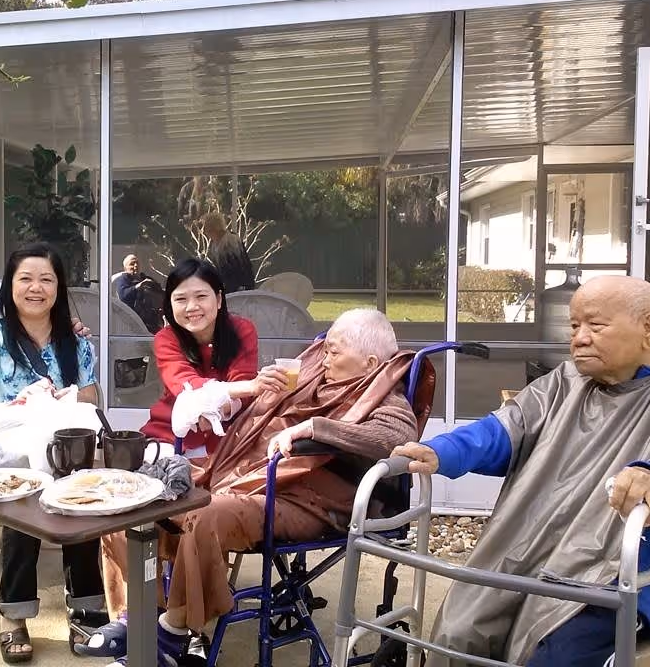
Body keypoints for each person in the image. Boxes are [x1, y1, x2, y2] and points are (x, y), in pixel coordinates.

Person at [89, 309, 430, 665]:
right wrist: (259, 388)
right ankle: (137, 617)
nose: (324, 357)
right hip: (244, 475)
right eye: (325, 349)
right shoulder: (312, 374)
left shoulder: (384, 397)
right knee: (132, 493)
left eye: (334, 351)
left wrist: (315, 428)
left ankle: (170, 637)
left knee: (203, 515)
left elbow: (398, 436)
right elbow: (253, 410)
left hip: (303, 500)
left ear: (370, 362)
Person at [393, 275, 650, 667]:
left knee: (553, 654)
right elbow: (500, 431)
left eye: (596, 325)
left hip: (605, 573)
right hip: (524, 547)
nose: (580, 338)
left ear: (648, 328)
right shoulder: (560, 384)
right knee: (457, 633)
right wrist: (440, 452)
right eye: (574, 326)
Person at [0, 243, 105, 665]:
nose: (35, 288)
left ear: (59, 287)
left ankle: (87, 606)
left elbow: (90, 404)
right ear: (11, 286)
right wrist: (20, 405)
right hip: (12, 448)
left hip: (67, 448)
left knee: (82, 497)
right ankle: (14, 614)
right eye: (26, 278)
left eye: (46, 279)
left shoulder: (75, 343)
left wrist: (63, 400)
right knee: (23, 500)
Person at [141, 258, 281, 459]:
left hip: (229, 434)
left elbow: (241, 382)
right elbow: (187, 386)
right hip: (170, 433)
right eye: (181, 299)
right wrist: (252, 386)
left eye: (201, 296)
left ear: (219, 299)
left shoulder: (242, 330)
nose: (191, 307)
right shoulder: (165, 338)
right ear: (169, 305)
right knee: (158, 479)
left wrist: (217, 409)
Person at [201, 212, 256, 293]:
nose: (206, 232)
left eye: (207, 228)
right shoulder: (215, 246)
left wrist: (241, 286)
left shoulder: (231, 241)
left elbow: (240, 266)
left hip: (241, 286)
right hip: (228, 287)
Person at [115, 254, 164, 333]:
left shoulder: (146, 279)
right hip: (134, 321)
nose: (135, 265)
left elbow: (160, 293)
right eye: (132, 264)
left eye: (137, 263)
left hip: (152, 320)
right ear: (125, 267)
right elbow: (123, 295)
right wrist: (139, 286)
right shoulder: (123, 279)